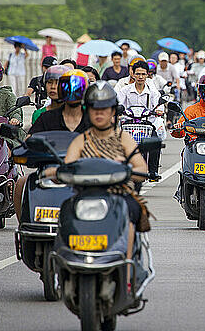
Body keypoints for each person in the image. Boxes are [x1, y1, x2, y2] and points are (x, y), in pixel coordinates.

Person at [44, 81, 149, 285]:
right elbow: (68, 166)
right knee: (63, 214)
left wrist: (129, 170)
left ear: (113, 112)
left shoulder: (124, 138)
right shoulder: (81, 140)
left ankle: (127, 273)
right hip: (84, 198)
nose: (99, 113)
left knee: (128, 218)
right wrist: (56, 172)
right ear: (88, 111)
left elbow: (141, 169)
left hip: (119, 197)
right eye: (94, 108)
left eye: (104, 109)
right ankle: (64, 266)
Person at [14, 70, 91, 221]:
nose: (72, 92)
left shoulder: (93, 119)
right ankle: (25, 229)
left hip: (84, 173)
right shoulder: (46, 117)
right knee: (22, 183)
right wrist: (24, 150)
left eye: (77, 88)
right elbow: (30, 141)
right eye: (67, 87)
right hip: (49, 172)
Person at [117, 60, 163, 181]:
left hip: (146, 125)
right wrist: (119, 110)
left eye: (143, 74)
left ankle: (153, 171)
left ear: (148, 74)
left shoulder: (153, 93)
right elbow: (119, 104)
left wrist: (159, 110)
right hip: (128, 125)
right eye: (138, 74)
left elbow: (160, 106)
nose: (140, 77)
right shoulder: (125, 91)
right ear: (133, 74)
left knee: (155, 142)